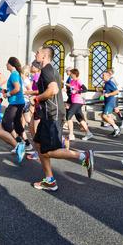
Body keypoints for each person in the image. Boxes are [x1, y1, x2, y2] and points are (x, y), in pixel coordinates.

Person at [31, 46, 94, 191]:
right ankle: (49, 180)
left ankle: (83, 156)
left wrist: (37, 98)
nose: (36, 54)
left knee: (48, 151)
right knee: (39, 146)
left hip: (52, 115)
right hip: (48, 114)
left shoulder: (47, 69)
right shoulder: (49, 70)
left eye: (38, 52)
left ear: (44, 56)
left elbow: (53, 90)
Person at [2, 57, 27, 146]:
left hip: (15, 103)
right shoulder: (16, 74)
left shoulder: (14, 74)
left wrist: (7, 94)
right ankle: (27, 144)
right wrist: (5, 91)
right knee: (17, 123)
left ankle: (18, 142)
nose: (6, 65)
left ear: (10, 64)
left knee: (5, 123)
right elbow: (15, 88)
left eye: (7, 63)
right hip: (19, 102)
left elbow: (17, 88)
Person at [66, 68, 94, 140]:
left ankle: (71, 135)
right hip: (73, 101)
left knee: (68, 116)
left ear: (75, 74)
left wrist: (77, 92)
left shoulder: (78, 81)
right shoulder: (72, 81)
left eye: (71, 74)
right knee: (79, 118)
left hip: (78, 101)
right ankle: (89, 133)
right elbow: (71, 88)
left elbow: (85, 89)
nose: (70, 75)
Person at [100, 71, 121, 137]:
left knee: (104, 116)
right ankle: (116, 130)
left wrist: (108, 94)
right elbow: (107, 91)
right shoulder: (106, 83)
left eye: (103, 75)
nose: (102, 76)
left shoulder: (110, 82)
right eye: (102, 75)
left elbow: (117, 91)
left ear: (108, 76)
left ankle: (116, 128)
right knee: (108, 116)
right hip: (107, 101)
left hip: (110, 102)